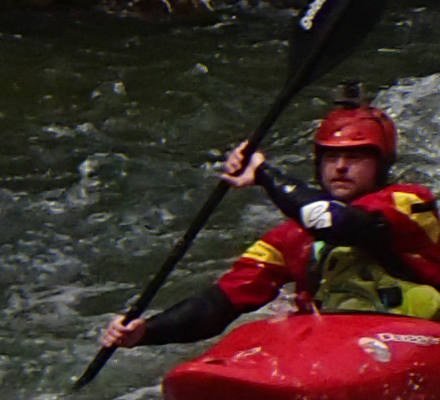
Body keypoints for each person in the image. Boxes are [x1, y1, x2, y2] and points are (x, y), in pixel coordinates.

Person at [95, 99, 440, 357]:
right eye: (330, 157)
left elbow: (337, 224)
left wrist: (263, 173)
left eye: (356, 157)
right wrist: (146, 331)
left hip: (417, 337)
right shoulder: (289, 238)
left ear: (381, 164)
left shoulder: (409, 203)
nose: (340, 167)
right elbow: (220, 303)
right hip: (340, 346)